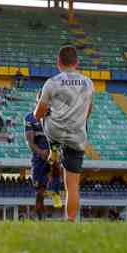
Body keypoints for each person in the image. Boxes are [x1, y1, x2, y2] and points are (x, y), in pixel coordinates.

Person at [33, 45, 95, 223]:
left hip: (54, 130)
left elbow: (38, 114)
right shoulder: (88, 83)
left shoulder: (52, 82)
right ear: (77, 63)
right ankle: (71, 221)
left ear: (58, 63)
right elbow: (88, 111)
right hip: (77, 135)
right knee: (72, 185)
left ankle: (53, 147)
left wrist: (39, 105)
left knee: (43, 116)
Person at [24, 111, 63, 219]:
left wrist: (54, 152)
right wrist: (41, 152)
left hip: (52, 151)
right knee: (39, 190)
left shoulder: (55, 115)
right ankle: (40, 216)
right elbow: (29, 142)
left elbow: (59, 138)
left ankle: (55, 192)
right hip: (38, 156)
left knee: (56, 167)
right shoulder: (30, 117)